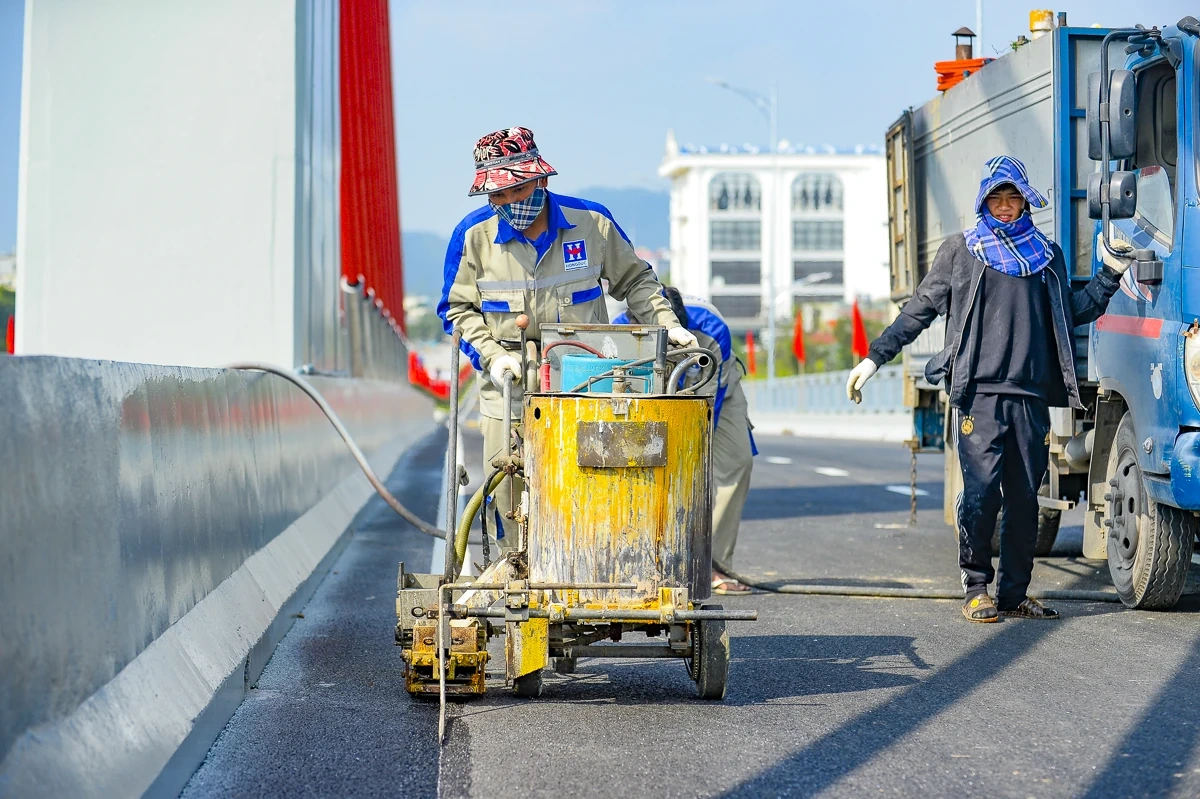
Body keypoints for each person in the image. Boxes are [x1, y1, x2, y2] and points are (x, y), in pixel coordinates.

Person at [846, 155, 1134, 622]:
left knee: (1025, 500)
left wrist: (1109, 273)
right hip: (979, 395)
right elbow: (919, 310)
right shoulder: (961, 251)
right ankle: (976, 585)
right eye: (996, 198)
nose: (1004, 206)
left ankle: (1013, 595)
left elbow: (1072, 311)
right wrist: (874, 357)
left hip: (1032, 398)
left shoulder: (1047, 256)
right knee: (982, 494)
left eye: (1012, 197)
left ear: (1025, 202)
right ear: (984, 201)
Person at [439, 126, 695, 552]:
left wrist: (667, 324)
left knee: (591, 483)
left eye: (516, 191)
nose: (507, 204)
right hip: (508, 387)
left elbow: (636, 281)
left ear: (540, 180)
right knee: (506, 491)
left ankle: (590, 568)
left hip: (585, 380)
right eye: (496, 196)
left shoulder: (591, 224)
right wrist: (491, 356)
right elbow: (456, 311)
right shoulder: (473, 237)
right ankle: (514, 578)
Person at [615, 287, 757, 595]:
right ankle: (635, 562)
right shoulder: (619, 328)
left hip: (711, 390)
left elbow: (711, 409)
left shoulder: (712, 328)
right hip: (646, 396)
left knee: (736, 462)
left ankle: (713, 565)